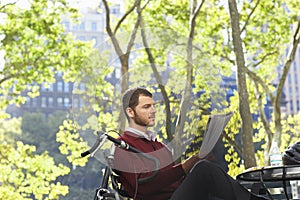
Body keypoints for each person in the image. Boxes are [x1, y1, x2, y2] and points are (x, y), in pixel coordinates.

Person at [112, 87, 268, 200]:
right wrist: (186, 166)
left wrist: (191, 168)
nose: (153, 111)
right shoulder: (122, 146)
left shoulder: (160, 146)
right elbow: (143, 187)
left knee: (212, 185)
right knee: (203, 170)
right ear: (130, 112)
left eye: (154, 106)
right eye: (146, 107)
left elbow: (175, 181)